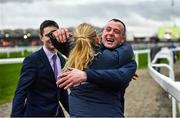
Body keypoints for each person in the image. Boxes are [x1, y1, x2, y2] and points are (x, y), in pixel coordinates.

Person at [48, 19, 137, 117]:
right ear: (101, 35)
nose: (111, 33)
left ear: (122, 39)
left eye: (116, 31)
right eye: (108, 29)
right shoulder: (79, 51)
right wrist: (56, 33)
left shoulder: (125, 60)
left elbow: (121, 78)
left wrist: (85, 75)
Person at [11, 20, 69, 117]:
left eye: (54, 34)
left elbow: (62, 92)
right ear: (41, 37)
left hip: (57, 114)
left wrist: (75, 113)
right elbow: (21, 92)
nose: (51, 38)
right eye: (47, 35)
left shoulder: (62, 60)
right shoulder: (32, 60)